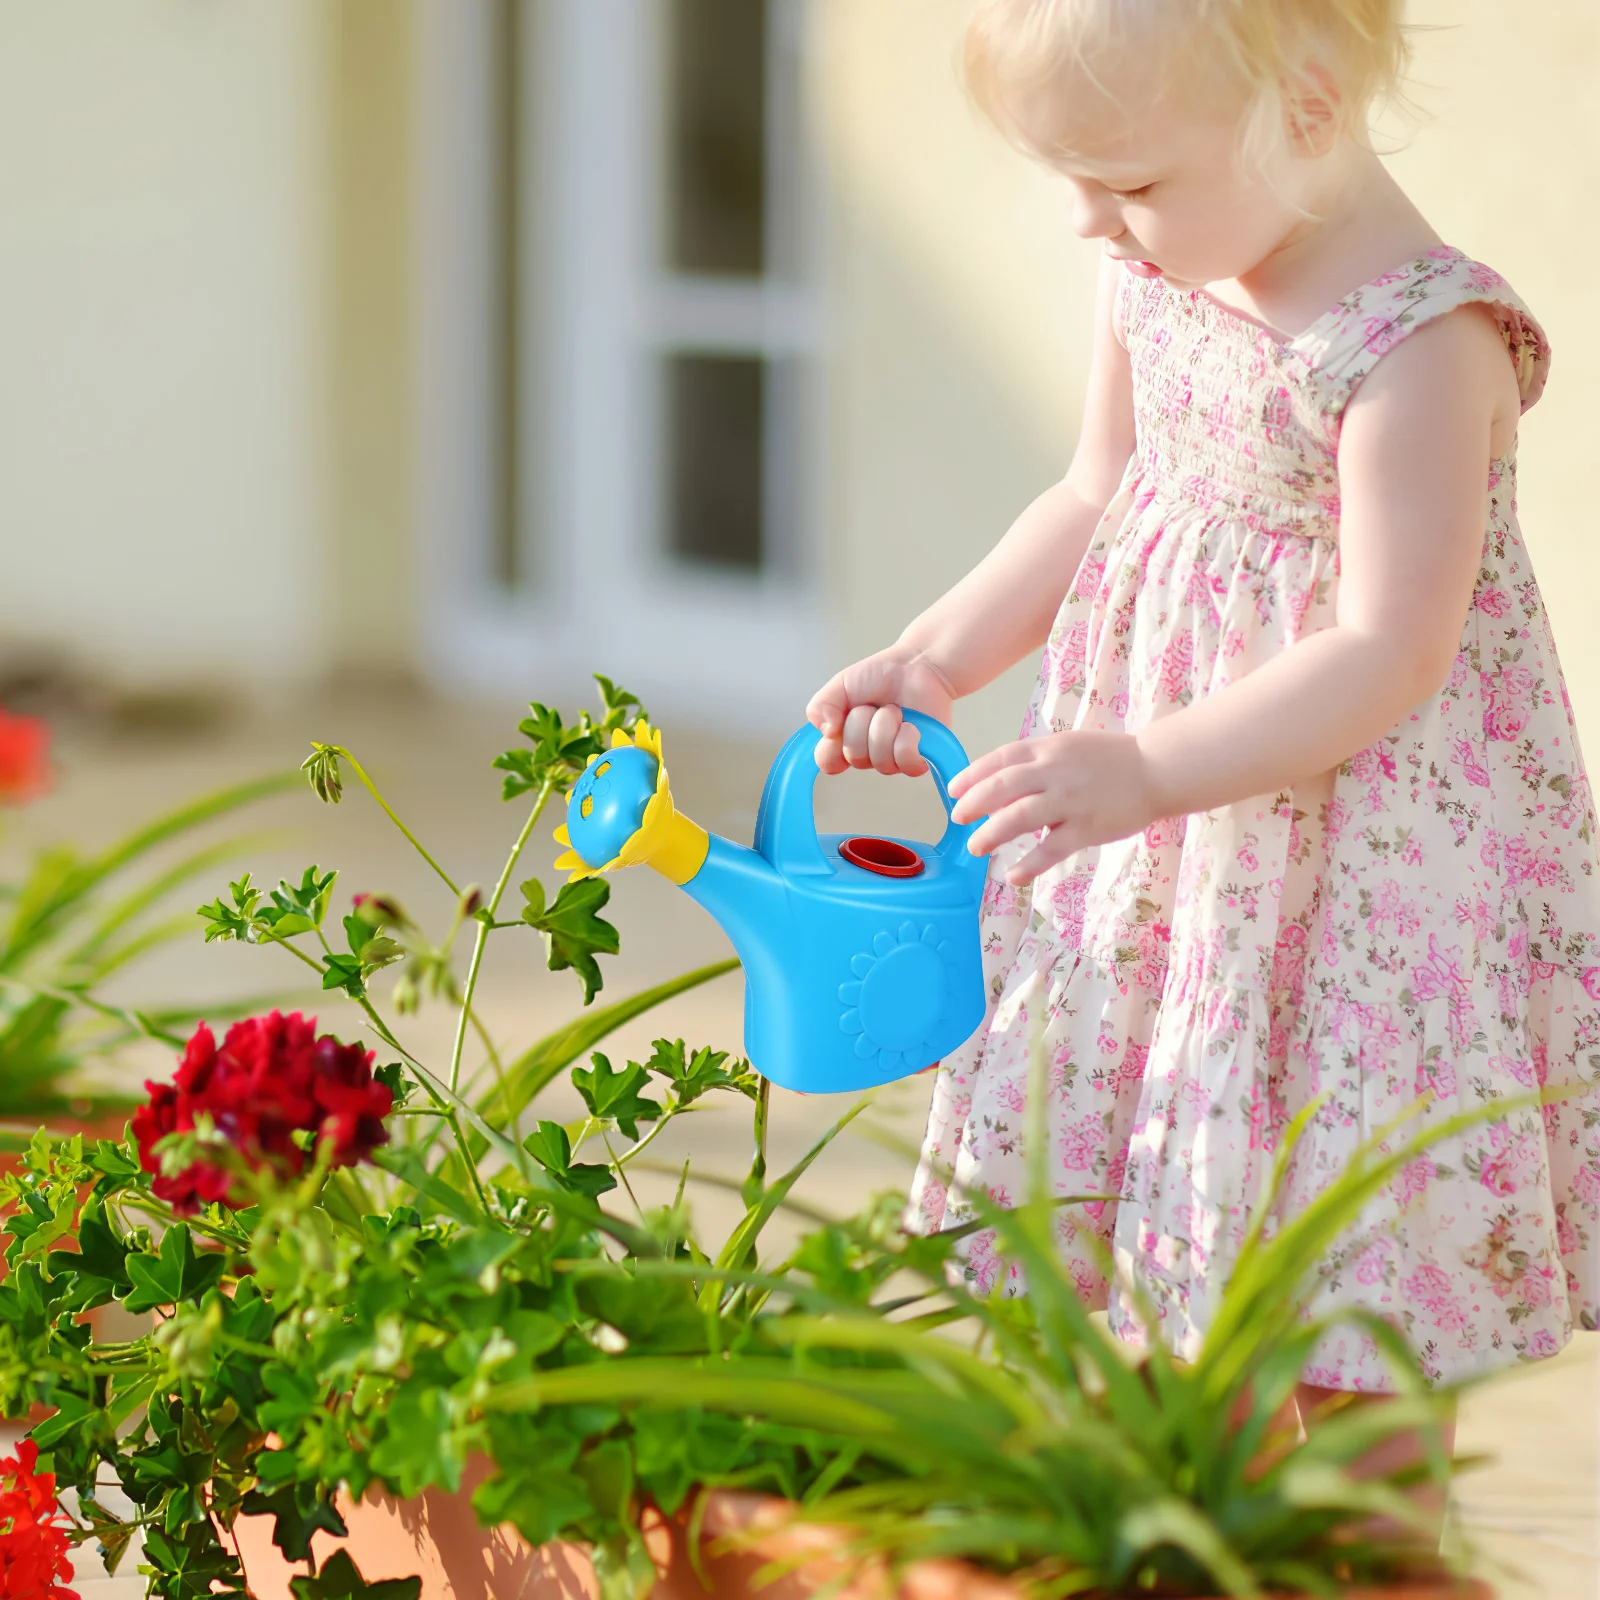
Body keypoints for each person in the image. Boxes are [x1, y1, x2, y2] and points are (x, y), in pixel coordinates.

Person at [805, 0, 1600, 1476]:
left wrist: (1148, 767)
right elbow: (1093, 491)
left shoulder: (1418, 348)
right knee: (1179, 1218)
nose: (1088, 222)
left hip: (1356, 873)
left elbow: (1390, 648)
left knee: (1349, 1279)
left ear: (1303, 106)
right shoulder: (1168, 276)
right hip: (1175, 859)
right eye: (1071, 177)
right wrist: (938, 652)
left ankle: (1366, 1558)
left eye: (1131, 181)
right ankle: (1192, 1536)